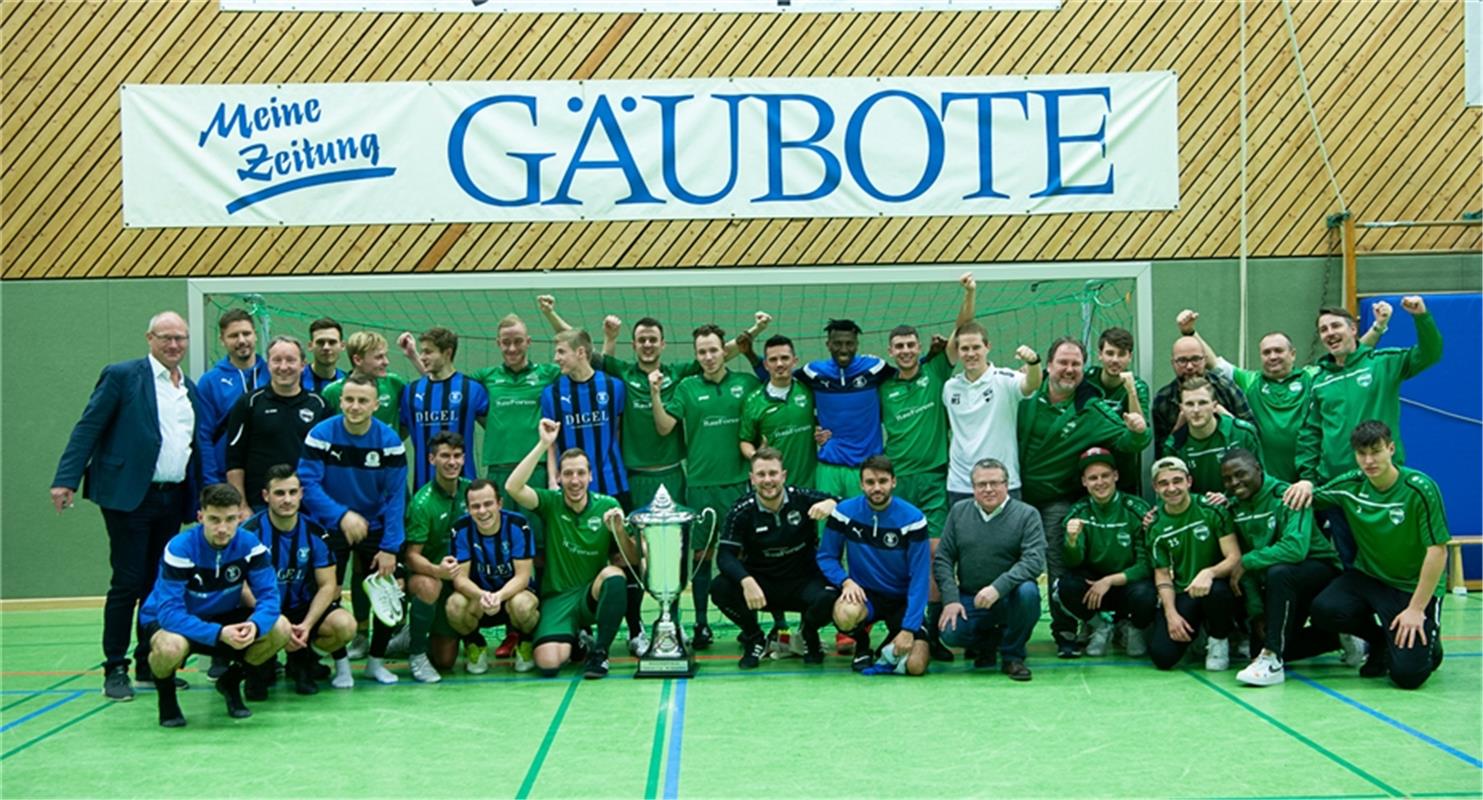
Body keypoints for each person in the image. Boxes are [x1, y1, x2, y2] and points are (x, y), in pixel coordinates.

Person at [51, 310, 203, 701]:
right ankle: (114, 668)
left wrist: (202, 496)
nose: (174, 345)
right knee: (128, 582)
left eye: (180, 339)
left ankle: (149, 663)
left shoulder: (189, 388)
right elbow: (89, 426)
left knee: (157, 584)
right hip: (128, 496)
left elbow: (193, 446)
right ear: (149, 338)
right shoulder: (122, 376)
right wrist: (66, 479)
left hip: (172, 498)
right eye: (166, 337)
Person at [1017, 336, 1151, 658]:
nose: (1069, 369)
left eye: (1076, 364)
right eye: (1062, 362)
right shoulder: (1021, 397)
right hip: (1014, 495)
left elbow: (1134, 442)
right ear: (1048, 366)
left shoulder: (1093, 411)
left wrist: (1138, 429)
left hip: (1055, 500)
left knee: (1059, 564)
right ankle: (999, 631)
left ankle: (1064, 631)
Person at [1287, 297, 1443, 564]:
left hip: (1382, 486)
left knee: (1390, 558)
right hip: (1339, 490)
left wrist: (1421, 317)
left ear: (1353, 330)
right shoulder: (1319, 381)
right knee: (1350, 564)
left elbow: (1430, 354)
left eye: (1336, 326)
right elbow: (1310, 435)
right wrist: (1309, 477)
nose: (1330, 334)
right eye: (1323, 330)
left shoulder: (1383, 363)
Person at [1309, 421, 1449, 690]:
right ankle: (1381, 639)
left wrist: (1416, 609)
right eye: (1362, 454)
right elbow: (1308, 497)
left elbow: (1438, 551)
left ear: (1391, 449)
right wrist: (1303, 486)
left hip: (1412, 587)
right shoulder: (1350, 484)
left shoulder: (1420, 488)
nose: (1369, 460)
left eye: (1376, 451)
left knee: (1408, 676)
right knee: (1324, 610)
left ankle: (1430, 640)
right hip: (1370, 577)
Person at [138, 483, 290, 727]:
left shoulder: (251, 546)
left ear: (240, 517)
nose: (222, 528)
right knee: (169, 647)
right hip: (175, 620)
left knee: (280, 627)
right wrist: (218, 633)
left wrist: (255, 625)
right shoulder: (180, 548)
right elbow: (168, 613)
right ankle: (166, 699)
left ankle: (230, 681)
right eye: (214, 519)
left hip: (223, 615)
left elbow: (270, 599)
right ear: (200, 517)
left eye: (230, 519)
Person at [651, 324, 762, 649]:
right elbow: (663, 427)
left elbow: (766, 417)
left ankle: (753, 624)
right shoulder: (686, 388)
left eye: (714, 350)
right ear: (696, 355)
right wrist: (656, 394)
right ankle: (701, 624)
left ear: (723, 351)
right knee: (701, 557)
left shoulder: (747, 384)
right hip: (700, 487)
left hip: (739, 486)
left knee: (745, 557)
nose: (709, 356)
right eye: (702, 352)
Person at [506, 420, 641, 680]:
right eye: (568, 474)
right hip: (558, 598)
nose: (575, 480)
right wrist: (544, 445)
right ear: (558, 477)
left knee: (615, 575)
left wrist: (619, 531)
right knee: (548, 665)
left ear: (591, 476)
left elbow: (632, 558)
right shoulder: (551, 502)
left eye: (580, 473)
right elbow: (513, 487)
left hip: (591, 594)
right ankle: (579, 641)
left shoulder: (608, 505)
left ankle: (600, 653)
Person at [1193, 305, 1386, 482]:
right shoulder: (1250, 381)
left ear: (1292, 354)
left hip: (1313, 475)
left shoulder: (1313, 376)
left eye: (1278, 350)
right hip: (1271, 480)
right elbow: (1215, 364)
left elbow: (1351, 355)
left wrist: (1377, 328)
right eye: (1266, 352)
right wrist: (1191, 332)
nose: (1273, 356)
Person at [298, 374, 408, 684]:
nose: (355, 406)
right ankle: (341, 665)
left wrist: (390, 546)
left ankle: (375, 663)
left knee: (390, 592)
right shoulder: (321, 435)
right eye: (349, 400)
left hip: (375, 527)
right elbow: (307, 483)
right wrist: (341, 515)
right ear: (341, 401)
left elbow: (396, 496)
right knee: (328, 590)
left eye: (362, 401)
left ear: (375, 405)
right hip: (330, 526)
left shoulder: (389, 442)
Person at [1218, 449, 1343, 687]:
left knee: (1280, 571)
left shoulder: (1288, 494)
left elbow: (1295, 549)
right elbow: (1244, 571)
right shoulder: (1234, 508)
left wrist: (1247, 561)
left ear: (1258, 468)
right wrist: (1257, 614)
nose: (1234, 482)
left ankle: (1273, 659)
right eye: (1227, 479)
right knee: (1258, 644)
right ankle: (1335, 639)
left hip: (1320, 573)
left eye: (1240, 474)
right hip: (1281, 584)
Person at [711, 448, 839, 667]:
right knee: (720, 588)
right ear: (752, 479)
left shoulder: (802, 498)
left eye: (773, 473)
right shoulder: (741, 510)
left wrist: (834, 503)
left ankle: (808, 635)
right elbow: (724, 556)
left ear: (784, 475)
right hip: (762, 586)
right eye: (761, 475)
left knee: (833, 595)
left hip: (803, 583)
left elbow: (850, 505)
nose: (767, 480)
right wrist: (746, 580)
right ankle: (754, 638)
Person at [239, 465, 357, 694]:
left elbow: (328, 586)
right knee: (257, 692)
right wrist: (273, 618)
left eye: (293, 493)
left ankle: (303, 660)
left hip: (302, 611)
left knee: (345, 625)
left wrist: (306, 625)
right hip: (261, 609)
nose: (287, 500)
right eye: (279, 493)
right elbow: (240, 586)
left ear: (301, 494)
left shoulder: (316, 533)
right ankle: (259, 662)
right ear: (266, 496)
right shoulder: (249, 534)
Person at [817, 456, 931, 676]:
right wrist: (845, 581)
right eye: (870, 482)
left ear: (893, 482)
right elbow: (826, 557)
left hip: (902, 600)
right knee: (844, 613)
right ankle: (862, 645)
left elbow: (919, 578)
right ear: (861, 484)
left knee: (916, 667)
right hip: (866, 596)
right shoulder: (844, 513)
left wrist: (908, 629)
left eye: (883, 481)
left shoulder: (913, 519)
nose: (876, 488)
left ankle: (894, 640)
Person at [933, 459, 1045, 681]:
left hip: (1010, 596)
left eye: (995, 483)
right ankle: (988, 643)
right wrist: (951, 599)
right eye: (981, 484)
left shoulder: (1027, 514)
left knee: (1029, 593)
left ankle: (1013, 655)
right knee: (950, 632)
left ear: (1007, 484)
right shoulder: (958, 512)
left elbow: (1034, 561)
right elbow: (943, 558)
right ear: (972, 488)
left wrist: (998, 587)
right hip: (970, 596)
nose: (988, 489)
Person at [1145, 457, 1242, 671]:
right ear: (1155, 488)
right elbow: (1161, 575)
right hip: (1185, 591)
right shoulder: (1155, 526)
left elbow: (1234, 556)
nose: (1171, 488)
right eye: (1164, 483)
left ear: (1189, 481)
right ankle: (1197, 633)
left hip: (1216, 588)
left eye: (1177, 481)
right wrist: (1171, 615)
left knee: (1217, 592)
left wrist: (1209, 572)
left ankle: (1219, 639)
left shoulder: (1211, 509)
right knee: (1162, 657)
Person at [1059, 448, 1157, 658]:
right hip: (1094, 588)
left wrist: (1110, 580)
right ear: (1084, 482)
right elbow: (1073, 563)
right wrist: (1072, 541)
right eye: (1093, 478)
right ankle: (1100, 625)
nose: (1100, 482)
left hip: (1127, 584)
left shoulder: (1136, 509)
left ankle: (1133, 627)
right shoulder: (1078, 512)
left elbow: (1146, 565)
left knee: (1147, 593)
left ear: (1116, 476)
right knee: (1065, 586)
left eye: (1105, 476)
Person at [225, 335, 331, 511]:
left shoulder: (320, 406)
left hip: (308, 505)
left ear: (303, 365)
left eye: (290, 360)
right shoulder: (249, 403)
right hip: (258, 505)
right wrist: (242, 506)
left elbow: (329, 462)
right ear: (268, 365)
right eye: (277, 360)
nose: (283, 367)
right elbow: (234, 460)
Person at [446, 479, 540, 674]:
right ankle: (475, 644)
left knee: (523, 605)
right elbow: (460, 579)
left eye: (488, 504)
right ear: (469, 509)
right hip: (478, 600)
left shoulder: (518, 525)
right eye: (475, 506)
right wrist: (483, 595)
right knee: (454, 606)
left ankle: (524, 642)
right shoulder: (461, 529)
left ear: (499, 503)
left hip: (511, 598)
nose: (482, 511)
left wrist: (499, 596)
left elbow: (523, 577)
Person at [944, 321, 1042, 505]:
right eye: (965, 349)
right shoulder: (950, 388)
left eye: (976, 347)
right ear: (958, 351)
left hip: (1004, 484)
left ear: (988, 347)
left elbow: (1032, 384)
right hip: (961, 485)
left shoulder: (1006, 380)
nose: (971, 354)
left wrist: (1033, 362)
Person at [797, 319, 895, 500]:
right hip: (829, 467)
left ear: (857, 344)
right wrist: (816, 424)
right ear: (828, 344)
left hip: (867, 469)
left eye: (849, 344)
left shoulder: (874, 368)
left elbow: (906, 372)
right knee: (826, 524)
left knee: (863, 525)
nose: (843, 349)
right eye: (837, 344)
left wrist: (931, 356)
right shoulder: (814, 371)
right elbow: (780, 381)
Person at [402, 432, 473, 682]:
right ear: (432, 459)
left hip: (464, 580)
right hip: (435, 578)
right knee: (427, 585)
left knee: (446, 660)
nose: (451, 462)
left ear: (464, 458)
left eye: (456, 456)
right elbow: (411, 557)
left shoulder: (472, 492)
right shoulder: (423, 503)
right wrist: (438, 571)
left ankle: (416, 630)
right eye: (444, 456)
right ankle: (417, 652)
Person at [541, 328, 629, 504]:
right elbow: (551, 444)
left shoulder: (614, 387)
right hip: (570, 486)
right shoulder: (552, 393)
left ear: (580, 352)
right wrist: (552, 480)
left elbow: (618, 430)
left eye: (561, 352)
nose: (556, 358)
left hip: (612, 483)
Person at [1151, 311, 1254, 456]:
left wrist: (1228, 419)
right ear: (1173, 363)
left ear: (1205, 360)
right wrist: (1178, 427)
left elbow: (1253, 434)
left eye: (1195, 359)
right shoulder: (1163, 400)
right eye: (1182, 361)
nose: (1189, 367)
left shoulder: (1226, 388)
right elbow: (1160, 452)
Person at [399, 327, 489, 489]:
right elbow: (399, 434)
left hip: (464, 488)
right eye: (421, 352)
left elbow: (494, 429)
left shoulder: (472, 389)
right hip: (423, 486)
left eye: (428, 352)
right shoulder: (410, 391)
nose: (423, 357)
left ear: (447, 353)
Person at [198, 308, 271, 485]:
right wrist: (211, 482)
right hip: (224, 478)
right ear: (222, 340)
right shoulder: (210, 381)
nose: (241, 340)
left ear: (255, 335)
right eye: (233, 336)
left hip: (269, 479)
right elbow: (203, 436)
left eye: (246, 333)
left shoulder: (273, 374)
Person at [1161, 376, 1264, 495]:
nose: (1196, 410)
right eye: (1189, 404)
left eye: (1202, 403)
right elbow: (1175, 492)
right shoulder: (1173, 446)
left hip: (1241, 506)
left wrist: (1229, 499)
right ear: (1181, 408)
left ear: (1215, 406)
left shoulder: (1243, 433)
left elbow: (1261, 479)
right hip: (1201, 510)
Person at [739, 335, 817, 490]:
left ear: (795, 361)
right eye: (773, 360)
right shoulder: (753, 401)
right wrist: (755, 456)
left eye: (785, 358)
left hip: (809, 484)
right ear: (766, 365)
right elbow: (744, 441)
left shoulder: (809, 390)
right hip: (773, 488)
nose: (779, 364)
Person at [1083, 327, 1151, 493]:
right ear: (1100, 354)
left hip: (1123, 469)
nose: (1115, 359)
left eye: (1121, 354)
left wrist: (1131, 392)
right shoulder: (1087, 379)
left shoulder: (1138, 386)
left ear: (1130, 357)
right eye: (1110, 353)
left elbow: (1140, 429)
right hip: (1086, 465)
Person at [322, 331, 409, 430]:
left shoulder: (394, 383)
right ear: (358, 360)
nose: (386, 362)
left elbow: (408, 422)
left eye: (385, 356)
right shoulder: (333, 391)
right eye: (379, 357)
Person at [301, 317, 346, 395]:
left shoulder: (347, 382)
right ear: (310, 346)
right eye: (320, 342)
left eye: (332, 342)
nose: (326, 347)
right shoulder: (296, 379)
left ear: (342, 346)